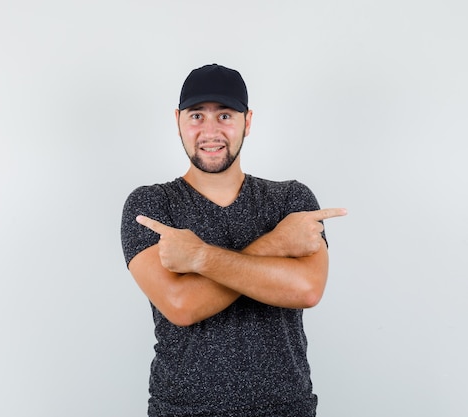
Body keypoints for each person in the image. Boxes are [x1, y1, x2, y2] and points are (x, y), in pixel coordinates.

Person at [120, 63, 346, 417]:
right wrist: (275, 245)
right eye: (197, 115)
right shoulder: (151, 205)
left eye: (225, 115)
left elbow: (306, 289)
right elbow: (181, 306)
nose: (210, 131)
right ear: (177, 120)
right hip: (182, 410)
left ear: (248, 121)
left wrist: (199, 259)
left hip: (286, 409)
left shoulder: (290, 200)